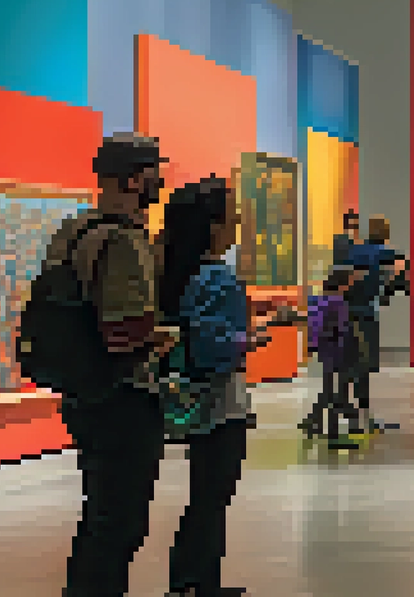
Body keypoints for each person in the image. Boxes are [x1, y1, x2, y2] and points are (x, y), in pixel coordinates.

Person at [45, 133, 175, 597]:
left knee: (100, 516)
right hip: (120, 394)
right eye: (155, 172)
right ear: (136, 179)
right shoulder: (123, 239)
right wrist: (167, 335)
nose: (159, 181)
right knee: (119, 523)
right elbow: (124, 332)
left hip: (82, 390)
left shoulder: (75, 230)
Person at [158, 176, 272, 597]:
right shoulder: (218, 278)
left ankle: (193, 579)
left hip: (182, 393)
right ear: (213, 225)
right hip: (218, 397)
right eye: (232, 216)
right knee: (212, 496)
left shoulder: (173, 272)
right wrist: (249, 340)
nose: (238, 223)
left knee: (204, 496)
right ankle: (196, 581)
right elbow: (211, 343)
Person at [345, 216, 407, 432]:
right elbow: (400, 269)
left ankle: (352, 412)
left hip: (348, 312)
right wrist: (387, 289)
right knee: (364, 365)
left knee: (350, 364)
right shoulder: (385, 253)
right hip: (367, 314)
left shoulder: (355, 251)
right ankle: (363, 414)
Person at [301, 266, 361, 448]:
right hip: (336, 351)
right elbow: (341, 329)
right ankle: (333, 435)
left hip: (324, 351)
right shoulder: (338, 302)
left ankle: (314, 421)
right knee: (336, 390)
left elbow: (315, 326)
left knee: (328, 390)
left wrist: (312, 345)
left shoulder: (320, 300)